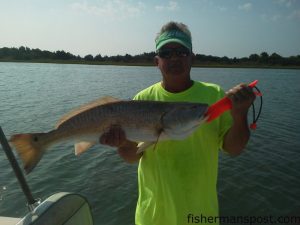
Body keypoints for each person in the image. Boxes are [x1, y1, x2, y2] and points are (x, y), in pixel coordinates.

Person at [100, 21, 255, 225]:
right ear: (157, 61)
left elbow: (234, 148)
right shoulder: (141, 99)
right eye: (166, 53)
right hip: (152, 216)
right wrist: (122, 143)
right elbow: (132, 157)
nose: (174, 58)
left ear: (192, 57)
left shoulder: (214, 95)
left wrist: (240, 114)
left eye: (181, 51)